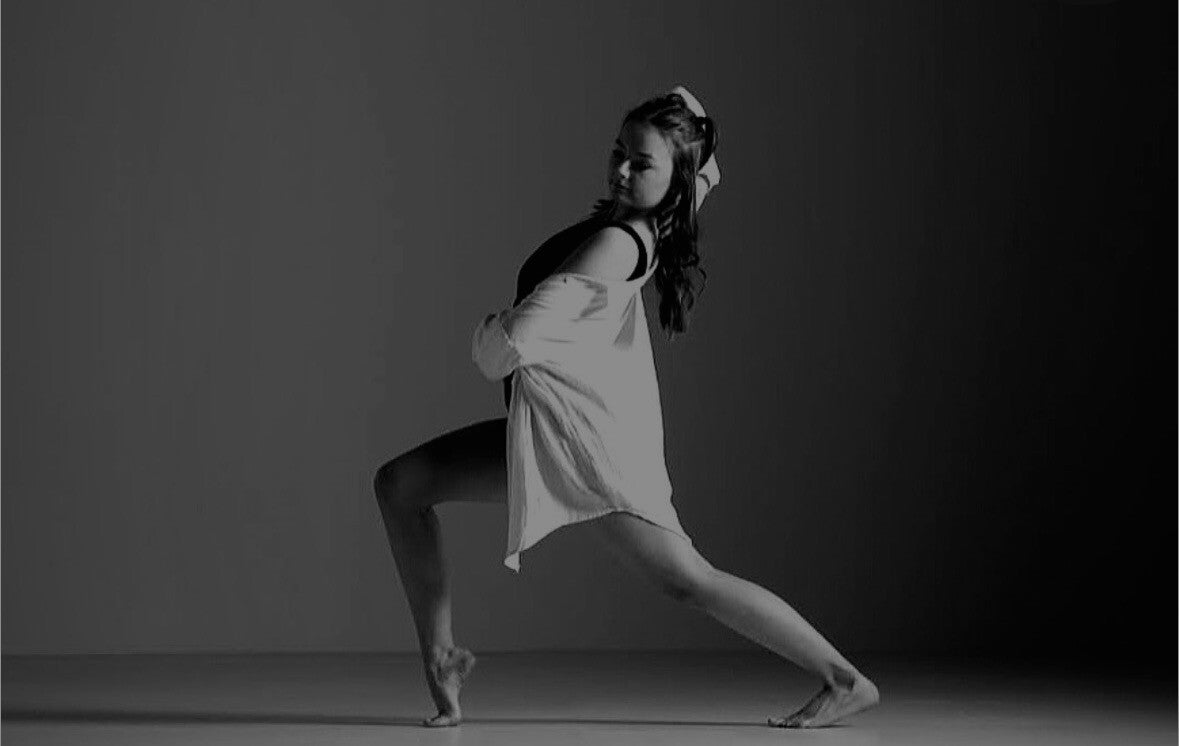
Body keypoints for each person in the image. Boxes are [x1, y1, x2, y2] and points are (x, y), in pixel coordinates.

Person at [373, 85, 880, 729]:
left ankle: (845, 679)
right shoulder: (664, 207)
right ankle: (442, 657)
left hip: (590, 451)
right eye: (618, 152)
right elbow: (706, 165)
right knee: (400, 485)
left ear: (673, 178)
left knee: (688, 579)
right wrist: (679, 123)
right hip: (546, 433)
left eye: (640, 163)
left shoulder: (617, 243)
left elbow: (503, 351)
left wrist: (487, 326)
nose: (620, 170)